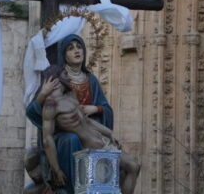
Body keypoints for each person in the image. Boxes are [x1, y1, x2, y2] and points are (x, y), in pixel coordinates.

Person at [26, 35, 113, 193]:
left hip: (88, 130)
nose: (76, 51)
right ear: (64, 54)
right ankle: (68, 187)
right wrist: (42, 94)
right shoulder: (57, 77)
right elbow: (32, 112)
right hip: (62, 134)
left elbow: (106, 109)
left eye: (79, 47)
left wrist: (96, 109)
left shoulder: (91, 80)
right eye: (70, 48)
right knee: (70, 139)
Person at [41, 65, 140, 194]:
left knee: (134, 166)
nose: (69, 77)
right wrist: (56, 169)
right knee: (123, 173)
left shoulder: (70, 95)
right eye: (65, 74)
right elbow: (47, 140)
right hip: (91, 150)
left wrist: (109, 133)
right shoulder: (51, 105)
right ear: (56, 79)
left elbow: (87, 121)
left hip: (102, 141)